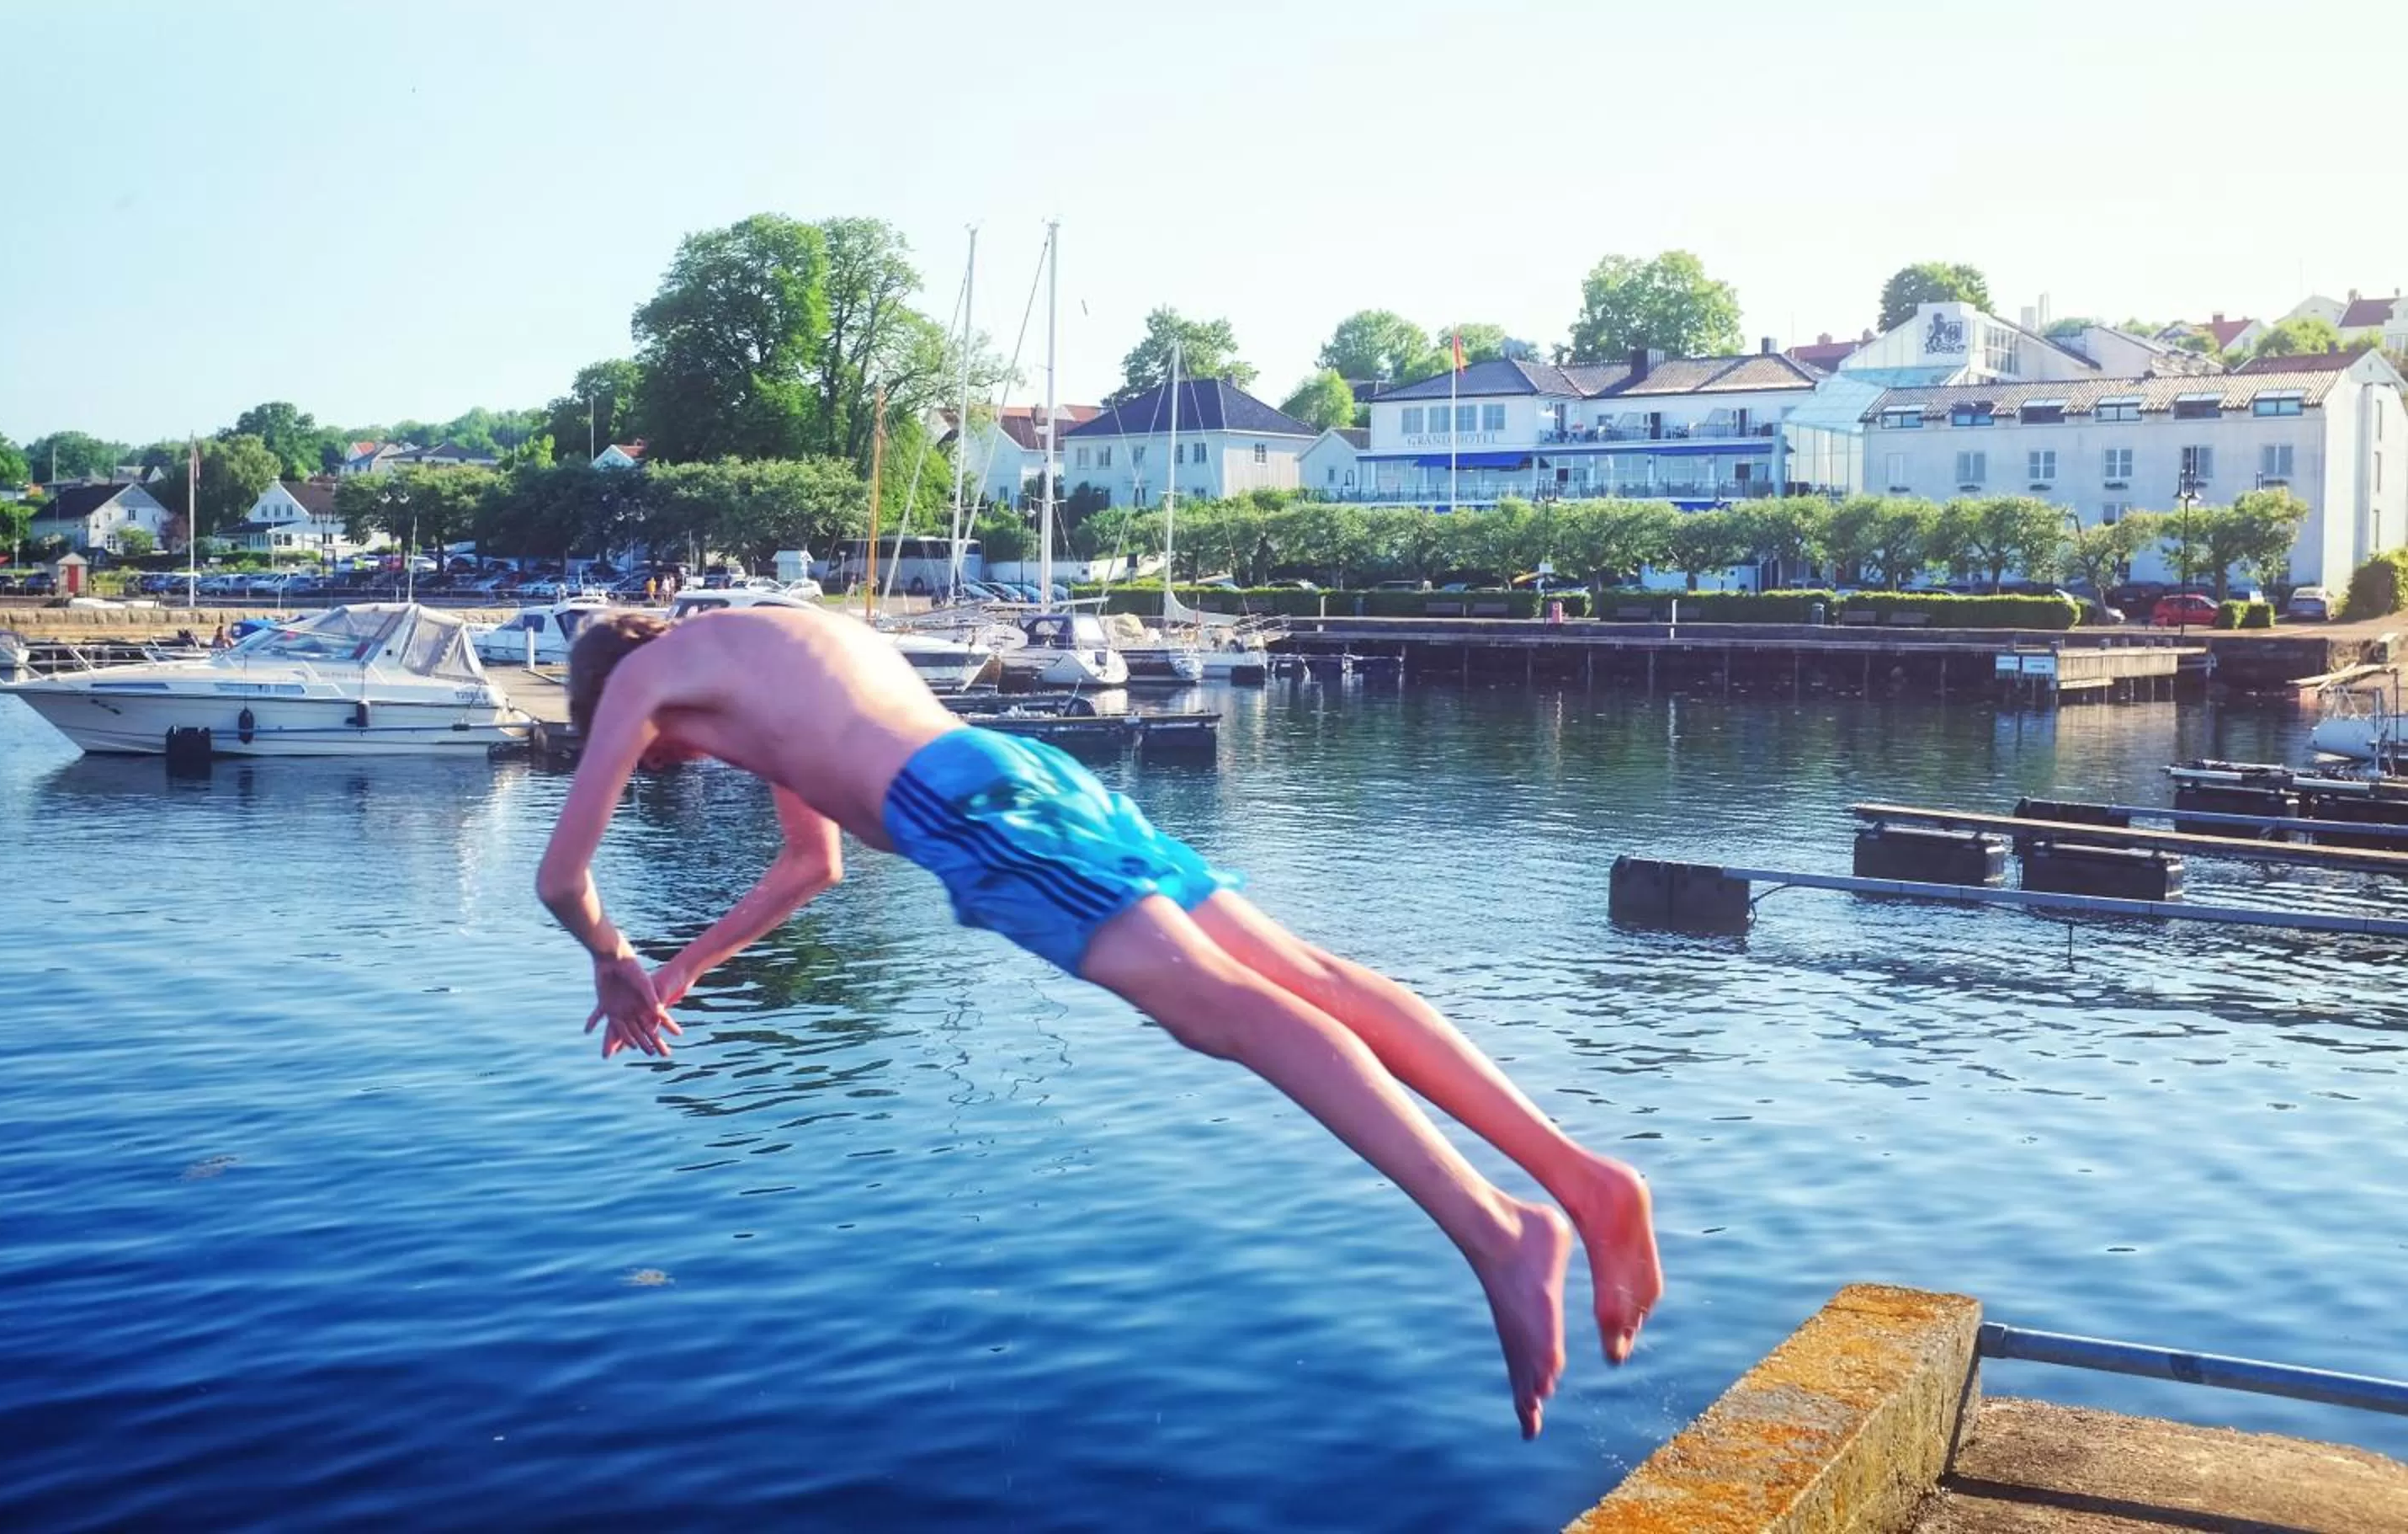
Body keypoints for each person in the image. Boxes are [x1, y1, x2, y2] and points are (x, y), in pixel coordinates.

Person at [535, 606, 1661, 1439]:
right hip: (1023, 773)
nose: (663, 762)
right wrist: (684, 967)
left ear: (610, 692)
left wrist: (615, 958)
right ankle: (1582, 1177)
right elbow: (808, 862)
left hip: (965, 814)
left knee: (1226, 1011)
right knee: (1313, 975)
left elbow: (560, 880)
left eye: (641, 750)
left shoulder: (646, 678)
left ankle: (1497, 1234)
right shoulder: (776, 637)